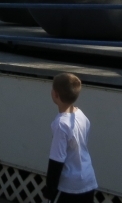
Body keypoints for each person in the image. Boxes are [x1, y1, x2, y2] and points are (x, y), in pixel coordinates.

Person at [42, 72, 98, 203]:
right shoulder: (81, 115)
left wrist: (50, 189)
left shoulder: (61, 124)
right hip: (87, 179)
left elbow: (56, 160)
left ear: (55, 94)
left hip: (69, 186)